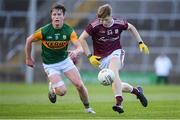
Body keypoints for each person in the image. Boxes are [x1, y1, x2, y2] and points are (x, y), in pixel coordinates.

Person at [25, 3, 95, 114]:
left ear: (64, 16)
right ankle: (52, 87)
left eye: (59, 14)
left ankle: (88, 108)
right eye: (54, 14)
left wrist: (76, 52)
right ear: (51, 16)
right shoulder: (44, 31)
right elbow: (29, 40)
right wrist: (28, 58)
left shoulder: (68, 31)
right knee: (62, 92)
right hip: (50, 65)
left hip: (65, 61)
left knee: (79, 85)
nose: (57, 16)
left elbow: (80, 47)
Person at [79, 4, 149, 113]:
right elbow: (82, 38)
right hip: (101, 59)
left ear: (111, 16)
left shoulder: (119, 23)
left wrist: (141, 42)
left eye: (106, 19)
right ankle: (137, 92)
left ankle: (119, 103)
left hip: (116, 53)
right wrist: (89, 56)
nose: (103, 22)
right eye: (101, 19)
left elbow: (131, 27)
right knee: (116, 84)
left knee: (113, 71)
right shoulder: (94, 25)